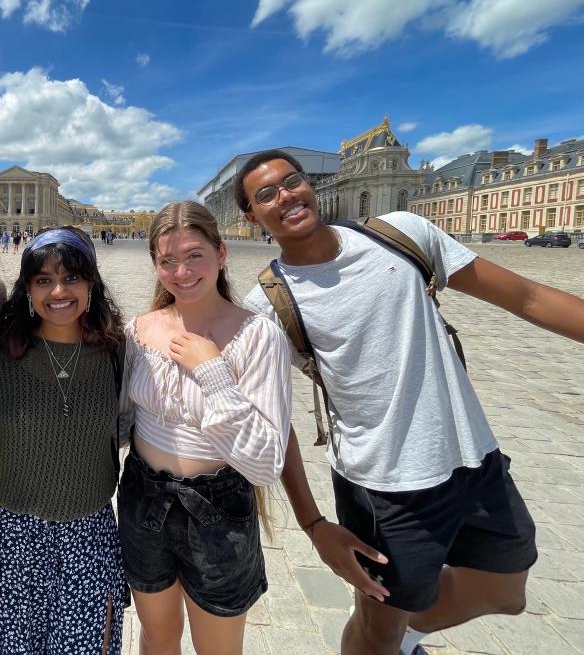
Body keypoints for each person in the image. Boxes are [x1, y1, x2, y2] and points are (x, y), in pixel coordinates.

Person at [236, 150, 584, 655]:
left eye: (292, 182)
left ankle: (412, 634)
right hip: (382, 489)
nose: (286, 196)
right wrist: (313, 525)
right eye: (266, 194)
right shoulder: (267, 305)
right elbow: (275, 419)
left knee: (507, 592)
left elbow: (526, 297)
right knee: (378, 631)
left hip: (473, 458)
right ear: (252, 216)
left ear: (310, 185)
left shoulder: (400, 234)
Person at [117, 201, 292, 655]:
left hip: (218, 508)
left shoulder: (258, 336)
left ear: (221, 253)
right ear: (155, 264)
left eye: (195, 255)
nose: (181, 271)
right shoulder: (137, 331)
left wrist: (213, 373)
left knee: (217, 649)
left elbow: (265, 463)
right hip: (143, 498)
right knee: (156, 637)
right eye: (167, 260)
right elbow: (117, 421)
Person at [0, 227, 129, 653]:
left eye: (72, 278)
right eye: (44, 280)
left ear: (91, 285)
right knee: (17, 648)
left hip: (89, 529)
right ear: (27, 288)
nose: (59, 291)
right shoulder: (0, 354)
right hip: (11, 532)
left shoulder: (115, 352)